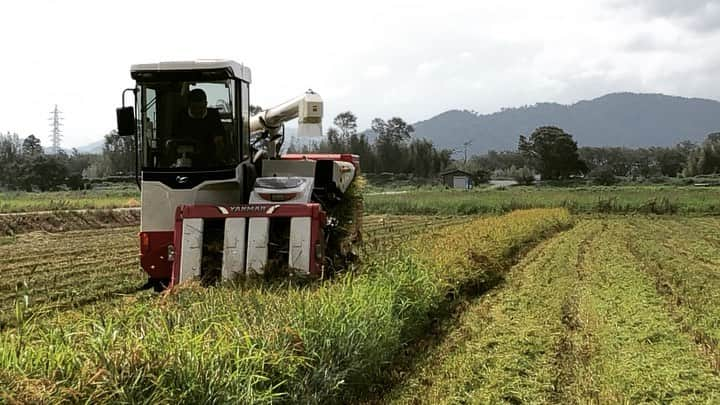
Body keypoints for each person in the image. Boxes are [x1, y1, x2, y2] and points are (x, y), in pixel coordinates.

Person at [168, 88, 226, 167]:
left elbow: (219, 139)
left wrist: (219, 155)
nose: (198, 111)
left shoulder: (213, 116)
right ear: (189, 105)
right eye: (194, 108)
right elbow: (174, 138)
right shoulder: (180, 116)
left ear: (206, 104)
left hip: (208, 159)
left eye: (201, 108)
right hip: (184, 158)